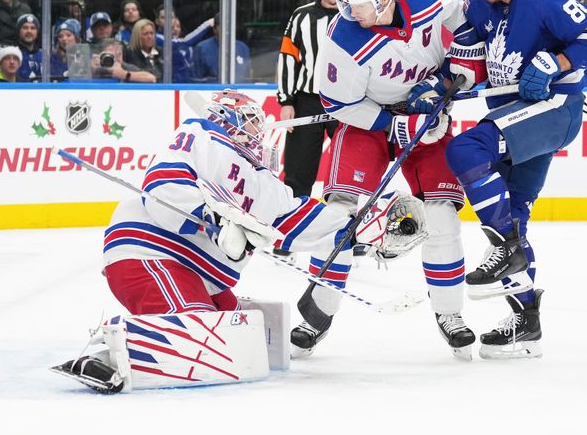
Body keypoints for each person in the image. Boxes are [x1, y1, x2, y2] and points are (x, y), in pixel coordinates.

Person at [52, 89, 427, 392]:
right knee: (202, 339)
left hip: (197, 273)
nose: (256, 133)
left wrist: (361, 229)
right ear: (225, 121)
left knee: (239, 338)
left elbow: (303, 222)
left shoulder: (263, 183)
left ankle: (147, 336)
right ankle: (109, 352)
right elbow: (163, 186)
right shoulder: (200, 135)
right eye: (248, 123)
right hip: (151, 255)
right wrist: (211, 217)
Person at [433, 0, 587, 358]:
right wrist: (445, 81)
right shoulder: (480, 0)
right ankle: (526, 320)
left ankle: (508, 250)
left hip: (553, 109)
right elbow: (469, 50)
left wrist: (559, 60)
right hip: (512, 116)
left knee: (465, 150)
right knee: (512, 214)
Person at [292, 0, 476, 360]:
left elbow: (463, 25)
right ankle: (317, 314)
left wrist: (452, 74)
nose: (348, 12)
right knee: (339, 213)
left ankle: (451, 314)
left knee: (443, 216)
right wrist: (393, 125)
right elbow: (338, 105)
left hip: (426, 115)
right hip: (366, 121)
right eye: (345, 3)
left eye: (356, 3)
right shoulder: (344, 38)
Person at [276, 0, 344, 198]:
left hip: (346, 103)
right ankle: (291, 218)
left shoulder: (357, 17)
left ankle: (346, 219)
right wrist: (286, 101)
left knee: (349, 165)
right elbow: (288, 58)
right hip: (307, 101)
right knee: (298, 171)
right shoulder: (301, 16)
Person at [190, 15, 251, 82]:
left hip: (239, 91)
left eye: (231, 25)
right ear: (214, 29)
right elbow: (195, 80)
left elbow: (247, 78)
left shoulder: (243, 48)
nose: (228, 28)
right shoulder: (201, 49)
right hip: (210, 91)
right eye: (223, 26)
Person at [15, 14, 43, 82]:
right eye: (25, 28)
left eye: (33, 28)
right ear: (19, 31)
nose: (29, 31)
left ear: (37, 32)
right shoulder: (13, 54)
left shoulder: (45, 55)